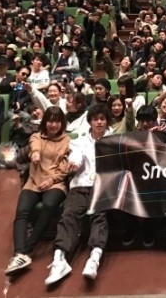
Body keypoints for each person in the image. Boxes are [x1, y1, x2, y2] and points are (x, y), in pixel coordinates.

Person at [44, 105, 114, 286]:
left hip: (103, 186)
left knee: (99, 216)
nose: (99, 122)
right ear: (90, 121)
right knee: (69, 214)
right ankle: (59, 259)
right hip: (81, 185)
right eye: (95, 119)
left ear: (107, 121)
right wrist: (74, 163)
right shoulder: (79, 141)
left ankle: (94, 257)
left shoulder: (115, 140)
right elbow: (76, 155)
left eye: (102, 119)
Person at [5, 107, 70, 275]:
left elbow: (65, 167)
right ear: (45, 122)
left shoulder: (67, 141)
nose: (53, 125)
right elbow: (35, 145)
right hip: (34, 181)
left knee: (49, 205)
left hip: (55, 183)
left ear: (62, 123)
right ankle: (20, 252)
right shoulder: (37, 136)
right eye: (50, 121)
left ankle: (26, 249)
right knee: (22, 212)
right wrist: (35, 153)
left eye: (57, 121)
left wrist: (51, 180)